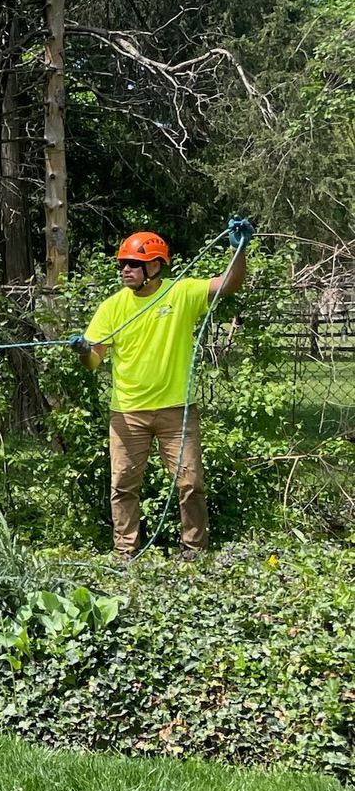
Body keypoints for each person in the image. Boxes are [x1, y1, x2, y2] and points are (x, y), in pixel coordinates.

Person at [74, 222, 252, 559]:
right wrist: (84, 351)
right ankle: (125, 553)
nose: (125, 269)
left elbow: (229, 283)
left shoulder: (181, 293)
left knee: (190, 484)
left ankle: (194, 551)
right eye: (123, 264)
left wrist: (238, 249)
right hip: (127, 413)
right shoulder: (112, 307)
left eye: (133, 264)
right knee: (123, 486)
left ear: (154, 266)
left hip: (177, 410)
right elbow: (93, 361)